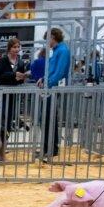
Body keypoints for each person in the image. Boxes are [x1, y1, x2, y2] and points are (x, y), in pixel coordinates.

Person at [0, 37, 26, 164]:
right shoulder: (2, 61)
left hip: (13, 94)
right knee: (1, 122)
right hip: (2, 94)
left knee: (8, 123)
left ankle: (2, 149)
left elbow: (21, 77)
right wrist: (14, 75)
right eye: (14, 47)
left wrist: (22, 77)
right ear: (9, 48)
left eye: (18, 47)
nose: (17, 49)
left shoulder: (21, 62)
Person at [39, 28, 69, 159]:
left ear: (53, 37)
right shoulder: (57, 51)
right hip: (50, 87)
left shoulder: (63, 51)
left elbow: (60, 72)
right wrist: (44, 79)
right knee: (45, 118)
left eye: (47, 39)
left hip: (53, 88)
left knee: (49, 119)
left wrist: (48, 83)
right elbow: (52, 70)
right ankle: (47, 148)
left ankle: (51, 148)